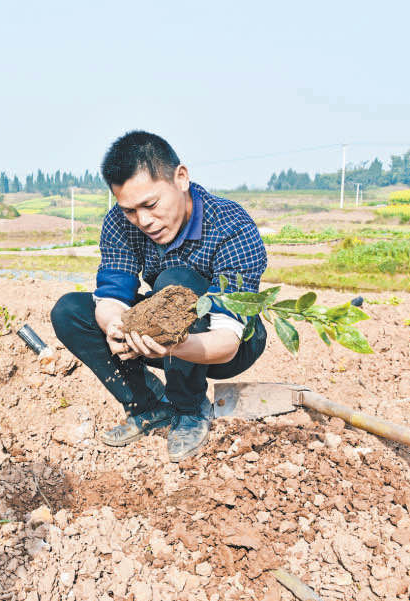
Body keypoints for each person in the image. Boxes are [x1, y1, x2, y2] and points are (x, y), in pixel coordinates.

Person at [51, 131, 268, 462]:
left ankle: (190, 408)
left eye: (151, 205)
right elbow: (112, 295)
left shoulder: (230, 225)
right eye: (130, 210)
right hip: (158, 341)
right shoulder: (121, 224)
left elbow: (227, 341)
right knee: (69, 312)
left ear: (181, 178)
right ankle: (148, 406)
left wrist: (174, 344)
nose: (144, 221)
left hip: (226, 345)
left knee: (175, 281)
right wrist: (114, 327)